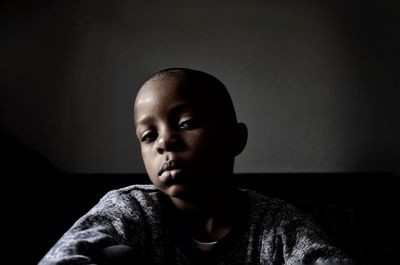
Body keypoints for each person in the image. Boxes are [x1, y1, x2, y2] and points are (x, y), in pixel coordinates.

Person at [39, 68, 352, 265]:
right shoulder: (130, 208)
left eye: (185, 123)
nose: (165, 142)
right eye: (149, 135)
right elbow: (60, 257)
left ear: (234, 138)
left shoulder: (277, 226)